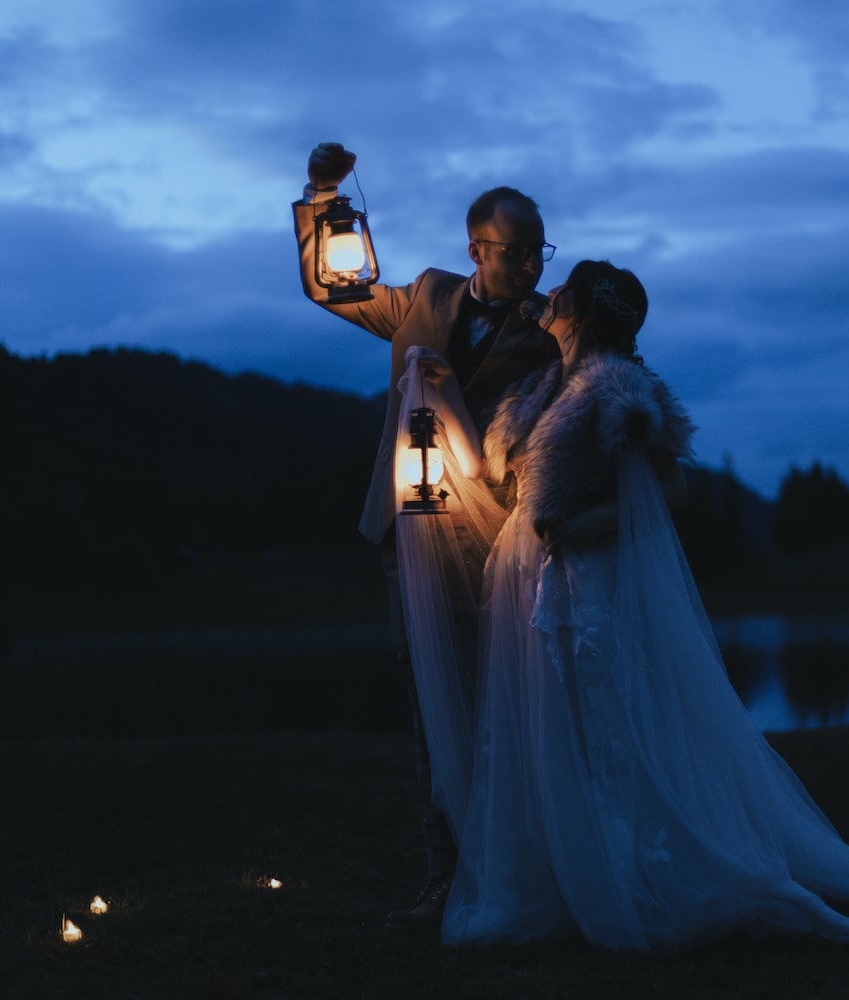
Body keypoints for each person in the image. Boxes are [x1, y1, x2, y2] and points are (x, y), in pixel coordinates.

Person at [414, 260, 849, 951]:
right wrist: (442, 403)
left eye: (560, 294)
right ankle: (567, 870)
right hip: (530, 579)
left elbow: (669, 491)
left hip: (585, 583)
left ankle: (627, 872)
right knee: (552, 732)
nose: (545, 298)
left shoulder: (616, 388)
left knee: (605, 729)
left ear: (581, 312)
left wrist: (582, 528)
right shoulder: (538, 392)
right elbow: (491, 477)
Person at [291, 143, 560, 931]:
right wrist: (323, 193)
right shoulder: (424, 296)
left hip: (496, 537)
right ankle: (443, 878)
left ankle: (517, 868)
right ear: (477, 247)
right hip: (408, 532)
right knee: (428, 703)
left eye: (539, 252)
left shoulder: (550, 331)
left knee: (503, 699)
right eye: (516, 253)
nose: (531, 268)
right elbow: (329, 288)